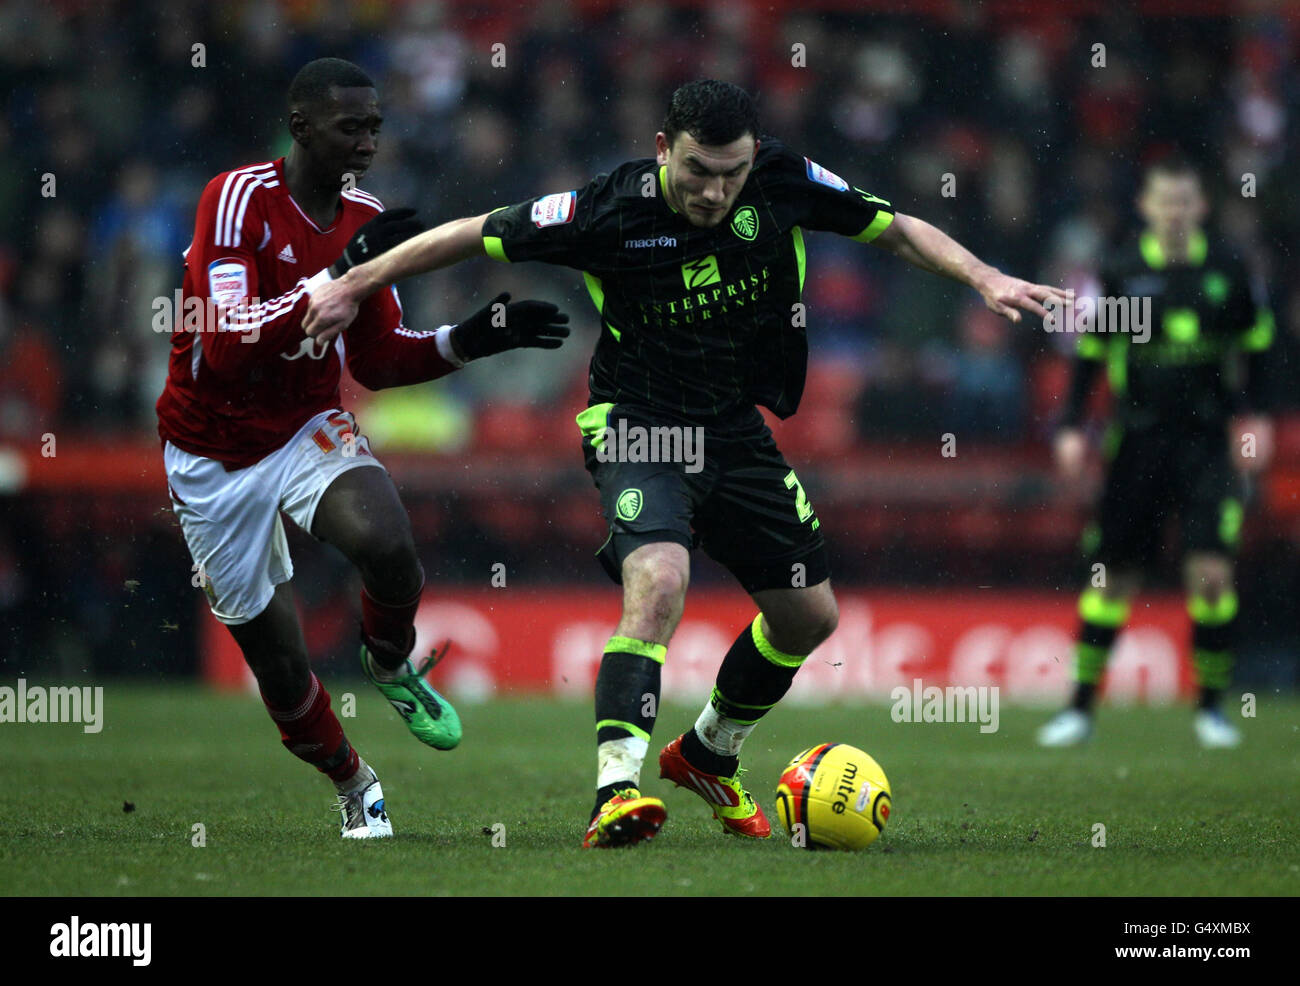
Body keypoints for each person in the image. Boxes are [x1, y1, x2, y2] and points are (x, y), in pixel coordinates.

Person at [304, 79, 1064, 847]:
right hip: (637, 425)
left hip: (733, 429)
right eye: (699, 170)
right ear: (663, 149)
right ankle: (615, 791)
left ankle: (707, 751)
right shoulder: (607, 209)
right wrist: (354, 282)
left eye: (731, 172)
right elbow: (471, 232)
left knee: (808, 615)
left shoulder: (782, 181)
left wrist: (986, 277)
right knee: (660, 581)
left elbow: (893, 228)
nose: (715, 190)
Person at [155, 58, 569, 838]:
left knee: (387, 542)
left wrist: (473, 338)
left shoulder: (365, 214)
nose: (369, 140)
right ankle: (354, 782)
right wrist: (338, 275)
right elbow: (231, 344)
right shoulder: (235, 200)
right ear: (302, 125)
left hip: (306, 425)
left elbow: (378, 359)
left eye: (376, 125)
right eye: (352, 126)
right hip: (208, 450)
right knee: (280, 667)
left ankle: (386, 661)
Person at [1038, 157, 1274, 749]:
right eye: (1165, 201)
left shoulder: (1227, 269)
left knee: (1212, 576)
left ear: (1201, 207)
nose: (1176, 212)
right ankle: (1079, 711)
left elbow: (1260, 350)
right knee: (1113, 578)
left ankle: (1213, 713)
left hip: (1207, 445)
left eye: (1186, 201)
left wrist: (1258, 418)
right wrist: (1070, 425)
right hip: (1136, 442)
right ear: (1147, 207)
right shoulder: (1122, 271)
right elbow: (1091, 356)